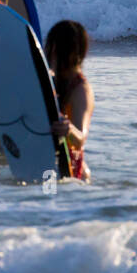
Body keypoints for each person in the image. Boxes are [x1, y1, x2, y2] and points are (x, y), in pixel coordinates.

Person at [46, 20, 94, 180]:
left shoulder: (81, 90)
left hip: (75, 176)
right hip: (50, 169)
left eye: (54, 48)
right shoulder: (51, 81)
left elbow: (81, 138)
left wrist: (68, 130)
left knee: (49, 198)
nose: (49, 53)